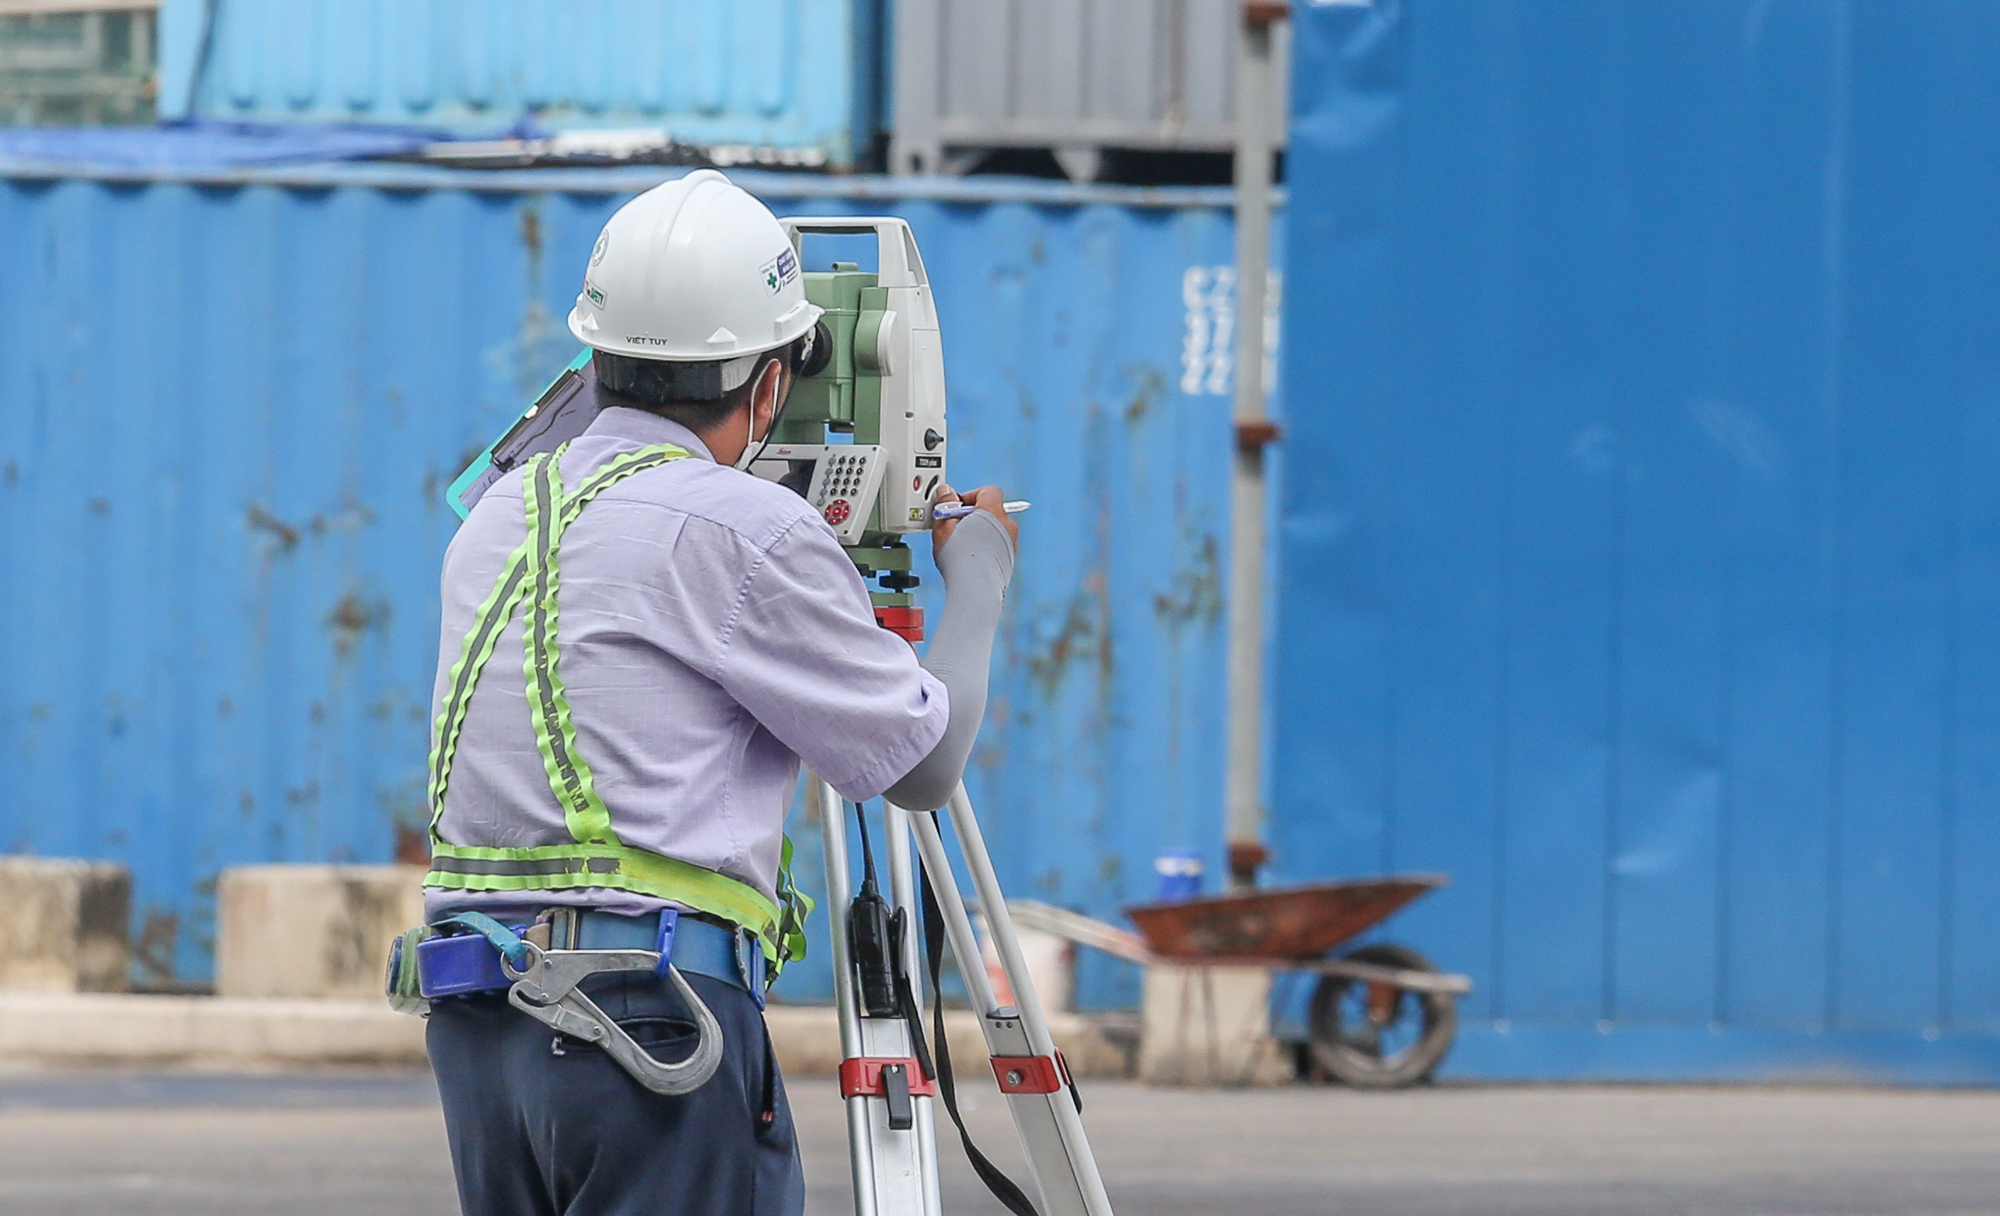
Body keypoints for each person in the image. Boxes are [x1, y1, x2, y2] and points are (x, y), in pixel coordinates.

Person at [418, 170, 1017, 1216]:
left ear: (597, 357)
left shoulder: (499, 513)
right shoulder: (749, 535)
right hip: (647, 1027)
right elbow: (923, 767)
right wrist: (982, 580)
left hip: (484, 1025)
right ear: (770, 380)